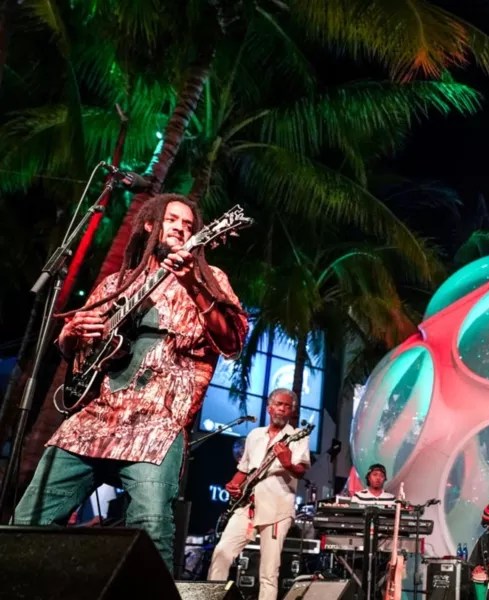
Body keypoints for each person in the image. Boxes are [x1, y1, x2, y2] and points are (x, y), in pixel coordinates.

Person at [13, 194, 247, 571]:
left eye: (189, 225)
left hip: (158, 423)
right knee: (29, 520)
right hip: (95, 420)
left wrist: (192, 283)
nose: (181, 228)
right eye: (172, 220)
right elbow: (76, 351)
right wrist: (70, 335)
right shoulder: (115, 283)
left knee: (151, 529)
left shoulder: (210, 278)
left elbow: (232, 341)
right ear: (150, 225)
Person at [208, 389, 311, 600]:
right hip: (248, 506)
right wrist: (233, 485)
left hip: (277, 509)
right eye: (279, 404)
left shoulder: (297, 436)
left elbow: (300, 471)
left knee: (269, 572)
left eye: (288, 406)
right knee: (222, 553)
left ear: (292, 411)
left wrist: (287, 462)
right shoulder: (255, 435)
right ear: (269, 408)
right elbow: (245, 469)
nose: (282, 409)